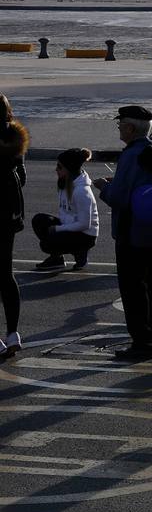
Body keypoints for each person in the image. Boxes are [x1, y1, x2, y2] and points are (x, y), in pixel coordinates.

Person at [94, 105, 152, 360]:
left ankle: (141, 344)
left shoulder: (131, 155)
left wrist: (104, 187)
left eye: (120, 124)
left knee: (133, 290)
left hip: (130, 232)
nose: (118, 128)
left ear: (130, 127)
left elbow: (120, 197)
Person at [31, 148, 99, 271]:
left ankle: (81, 251)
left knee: (46, 244)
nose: (56, 169)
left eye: (59, 167)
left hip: (85, 235)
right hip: (70, 225)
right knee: (39, 220)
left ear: (69, 169)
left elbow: (84, 224)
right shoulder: (64, 183)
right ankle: (57, 259)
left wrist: (57, 229)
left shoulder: (82, 191)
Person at [0, 94, 28, 356]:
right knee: (6, 275)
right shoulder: (14, 139)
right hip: (8, 216)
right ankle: (12, 333)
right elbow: (22, 178)